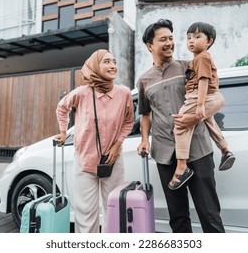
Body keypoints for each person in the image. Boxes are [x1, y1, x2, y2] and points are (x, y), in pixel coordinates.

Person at [136, 19, 225, 233]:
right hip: (165, 154)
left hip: (197, 150)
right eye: (163, 39)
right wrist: (144, 140)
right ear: (150, 45)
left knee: (209, 213)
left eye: (171, 38)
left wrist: (193, 118)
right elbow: (146, 113)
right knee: (177, 217)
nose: (169, 43)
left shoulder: (190, 66)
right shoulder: (144, 80)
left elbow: (216, 98)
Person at [55, 49, 134, 233]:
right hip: (85, 160)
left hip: (113, 160)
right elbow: (62, 107)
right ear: (95, 66)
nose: (112, 65)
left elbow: (129, 121)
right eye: (106, 61)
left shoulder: (124, 93)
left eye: (114, 61)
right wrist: (63, 131)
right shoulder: (82, 93)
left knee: (113, 210)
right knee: (85, 213)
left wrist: (117, 144)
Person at [170, 22, 235, 190]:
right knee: (210, 122)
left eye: (197, 37)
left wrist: (200, 105)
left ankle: (182, 166)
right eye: (189, 37)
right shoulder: (199, 58)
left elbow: (203, 80)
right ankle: (226, 150)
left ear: (209, 41)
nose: (191, 40)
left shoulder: (202, 57)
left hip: (198, 97)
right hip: (206, 97)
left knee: (180, 126)